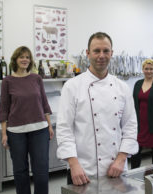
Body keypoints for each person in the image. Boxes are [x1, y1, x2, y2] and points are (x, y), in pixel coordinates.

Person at [56, 32, 138, 185]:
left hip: (116, 169)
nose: (101, 55)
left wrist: (121, 159)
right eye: (96, 51)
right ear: (88, 53)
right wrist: (73, 164)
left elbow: (130, 126)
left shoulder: (122, 87)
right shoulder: (72, 86)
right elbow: (64, 129)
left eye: (106, 51)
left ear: (112, 53)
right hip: (82, 171)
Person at [0, 46, 54, 194]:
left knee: (41, 170)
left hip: (40, 130)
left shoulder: (37, 78)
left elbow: (44, 103)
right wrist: (4, 133)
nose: (25, 60)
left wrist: (49, 125)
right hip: (15, 132)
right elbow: (4, 108)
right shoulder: (7, 81)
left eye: (27, 57)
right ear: (15, 60)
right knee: (20, 171)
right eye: (21, 57)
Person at [130, 59, 153, 169]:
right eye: (146, 69)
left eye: (151, 69)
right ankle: (133, 172)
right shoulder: (137, 84)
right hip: (140, 123)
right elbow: (134, 104)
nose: (149, 71)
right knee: (135, 149)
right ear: (142, 70)